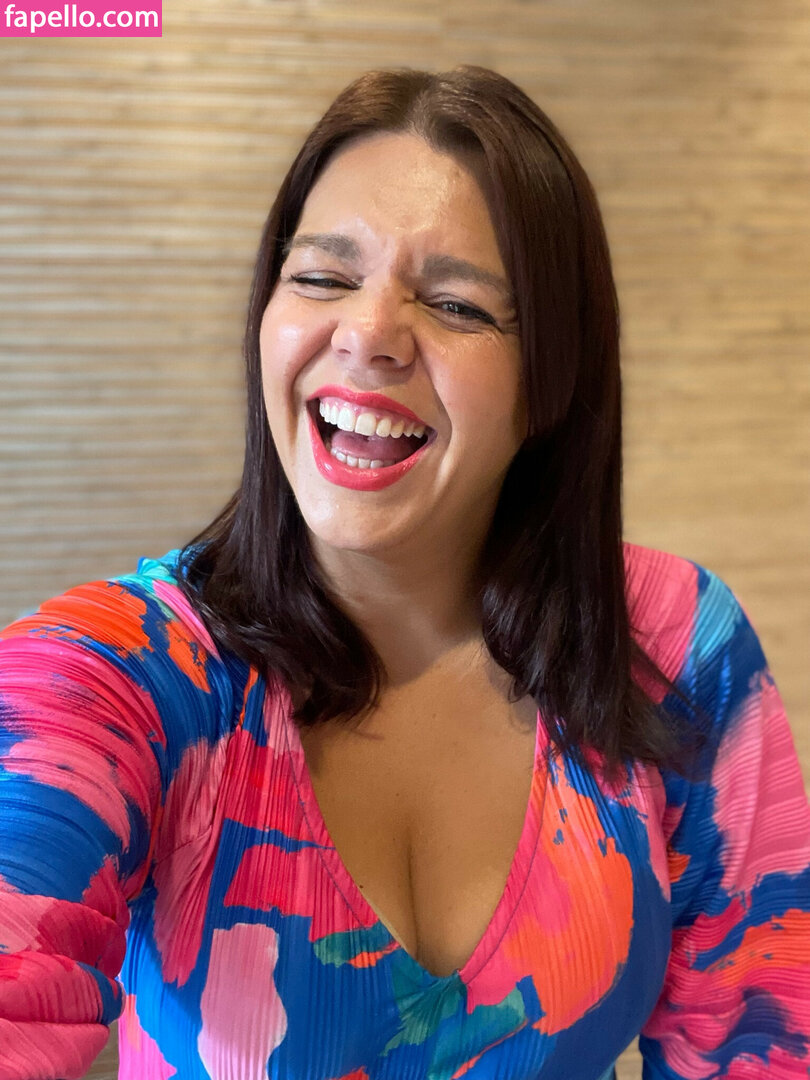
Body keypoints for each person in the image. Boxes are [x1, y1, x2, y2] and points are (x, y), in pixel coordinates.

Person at [0, 64, 808, 1080]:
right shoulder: (119, 672)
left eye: (458, 305)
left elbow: (761, 1039)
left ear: (551, 378)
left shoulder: (675, 646)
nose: (369, 334)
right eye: (321, 279)